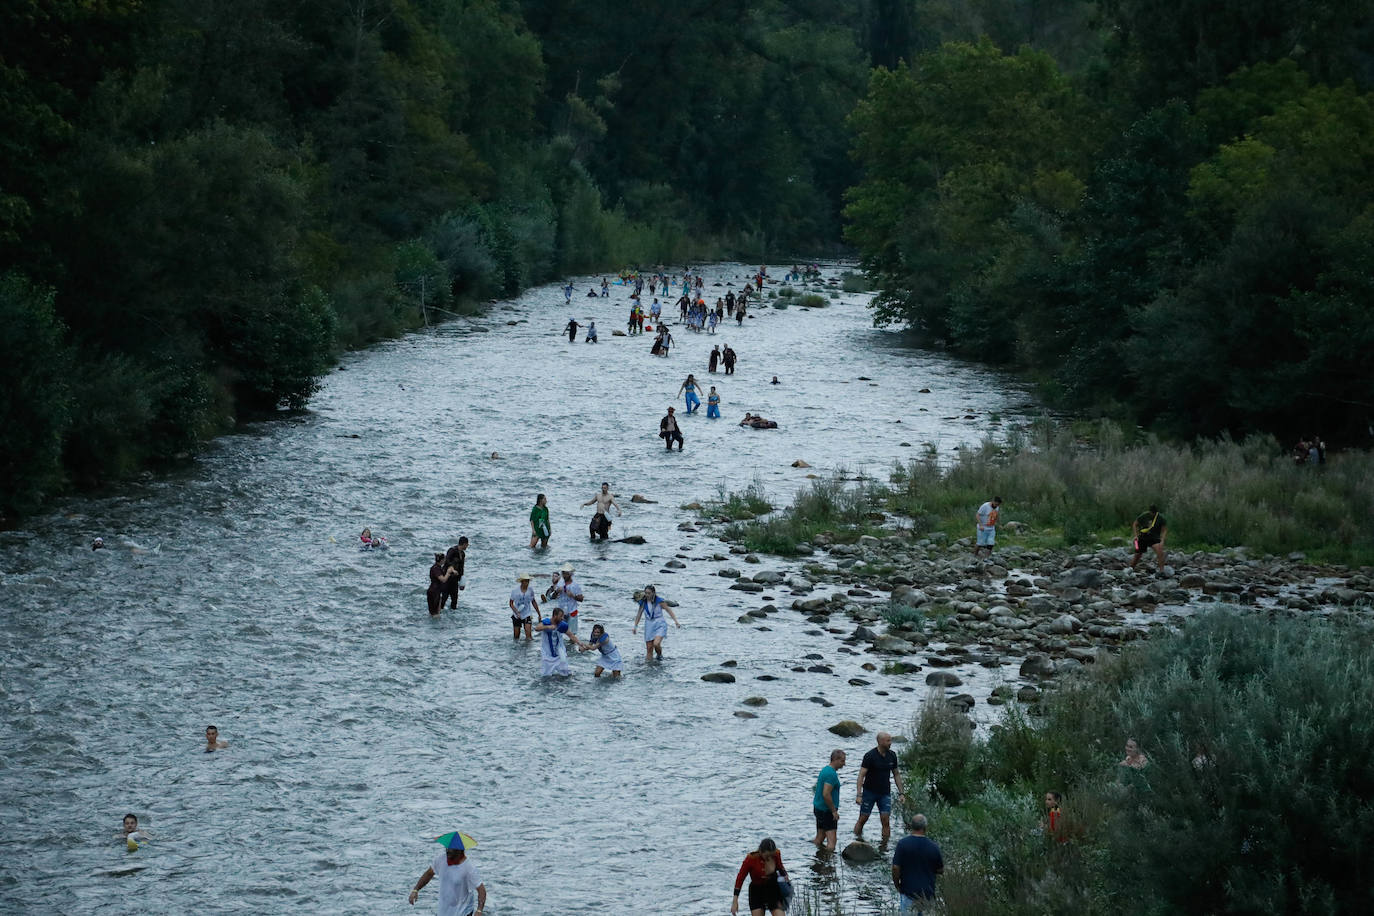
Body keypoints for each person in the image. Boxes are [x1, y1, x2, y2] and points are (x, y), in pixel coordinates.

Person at [408, 839, 486, 915]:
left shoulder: (469, 868)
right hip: (443, 911)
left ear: (460, 850)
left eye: (451, 848)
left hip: (463, 912)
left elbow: (481, 890)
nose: (448, 850)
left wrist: (479, 910)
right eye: (447, 847)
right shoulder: (440, 860)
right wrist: (416, 889)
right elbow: (429, 874)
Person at [854, 732, 905, 845]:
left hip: (884, 793)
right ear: (880, 742)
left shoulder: (892, 755)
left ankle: (884, 846)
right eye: (888, 741)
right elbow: (861, 775)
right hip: (869, 792)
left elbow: (896, 774)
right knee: (863, 818)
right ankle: (856, 841)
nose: (890, 743)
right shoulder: (870, 756)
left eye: (890, 740)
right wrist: (859, 794)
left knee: (885, 820)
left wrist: (901, 793)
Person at [891, 814, 943, 915]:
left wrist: (897, 884)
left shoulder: (902, 844)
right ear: (925, 827)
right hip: (928, 894)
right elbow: (940, 870)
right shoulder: (934, 846)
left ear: (911, 826)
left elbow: (895, 867)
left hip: (908, 892)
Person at [731, 838, 789, 916]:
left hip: (773, 890)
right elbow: (740, 878)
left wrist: (785, 875)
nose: (769, 858)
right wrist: (735, 900)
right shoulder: (750, 859)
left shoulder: (776, 853)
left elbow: (780, 866)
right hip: (756, 892)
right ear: (761, 852)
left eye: (771, 855)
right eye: (767, 856)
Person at [632, 584, 681, 661]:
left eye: (649, 593)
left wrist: (676, 622)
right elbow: (639, 614)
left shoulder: (659, 601)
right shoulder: (643, 602)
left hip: (659, 623)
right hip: (649, 624)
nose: (647, 595)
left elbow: (669, 610)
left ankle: (659, 655)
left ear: (653, 593)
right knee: (649, 648)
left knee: (656, 643)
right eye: (646, 593)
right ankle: (649, 667)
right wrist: (635, 626)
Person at [812, 749, 846, 852]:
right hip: (827, 811)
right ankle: (828, 864)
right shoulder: (831, 774)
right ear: (835, 759)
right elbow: (826, 794)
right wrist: (834, 811)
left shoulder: (825, 770)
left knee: (819, 838)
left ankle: (817, 859)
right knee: (832, 842)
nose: (844, 764)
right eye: (842, 761)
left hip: (819, 808)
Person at [533, 608, 572, 676]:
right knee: (545, 676)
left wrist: (580, 643)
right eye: (561, 616)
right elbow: (537, 628)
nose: (562, 618)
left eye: (563, 616)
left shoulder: (562, 625)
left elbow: (571, 635)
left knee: (566, 674)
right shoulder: (546, 622)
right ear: (555, 616)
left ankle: (562, 686)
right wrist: (548, 627)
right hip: (547, 653)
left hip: (559, 652)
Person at [1129, 505, 1167, 574]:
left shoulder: (1161, 518)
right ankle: (1130, 569)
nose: (1152, 514)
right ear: (1149, 511)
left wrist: (1162, 540)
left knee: (1160, 551)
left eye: (1154, 513)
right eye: (1151, 512)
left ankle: (1162, 571)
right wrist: (1135, 535)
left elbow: (1164, 530)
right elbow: (1135, 524)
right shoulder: (1144, 515)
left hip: (1154, 538)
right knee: (1137, 554)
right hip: (1141, 537)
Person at [549, 563, 584, 636]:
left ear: (571, 574)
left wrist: (573, 595)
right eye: (563, 573)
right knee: (557, 632)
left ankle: (571, 647)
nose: (564, 575)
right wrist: (557, 591)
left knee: (572, 634)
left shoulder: (575, 585)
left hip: (572, 611)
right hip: (561, 612)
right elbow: (553, 597)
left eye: (566, 574)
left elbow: (581, 599)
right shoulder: (560, 583)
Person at [509, 572, 539, 641]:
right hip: (517, 615)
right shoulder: (515, 591)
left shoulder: (530, 590)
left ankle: (529, 651)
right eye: (525, 581)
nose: (527, 583)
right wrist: (516, 612)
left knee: (529, 637)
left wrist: (539, 613)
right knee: (516, 637)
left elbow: (533, 601)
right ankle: (517, 650)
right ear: (522, 582)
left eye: (528, 581)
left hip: (527, 614)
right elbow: (511, 603)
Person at [443, 537, 468, 609]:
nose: (467, 546)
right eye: (467, 545)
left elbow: (462, 567)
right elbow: (447, 561)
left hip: (455, 580)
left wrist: (462, 581)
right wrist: (452, 569)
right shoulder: (452, 550)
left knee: (455, 599)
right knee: (444, 597)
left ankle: (452, 617)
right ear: (464, 544)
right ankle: (439, 612)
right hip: (447, 578)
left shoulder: (463, 554)